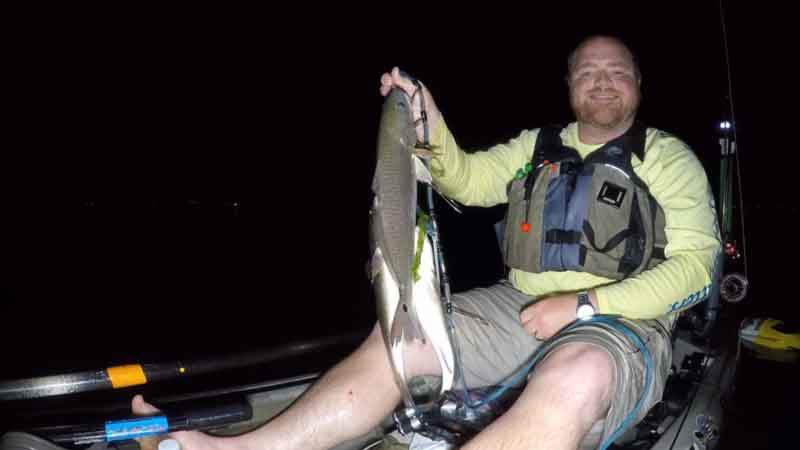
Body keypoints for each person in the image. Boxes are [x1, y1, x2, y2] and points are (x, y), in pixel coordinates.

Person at [132, 35, 721, 450]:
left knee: (578, 372)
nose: (602, 82)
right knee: (404, 340)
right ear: (569, 84)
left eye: (617, 71)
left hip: (623, 319)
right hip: (515, 308)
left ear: (639, 85)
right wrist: (426, 122)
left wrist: (586, 306)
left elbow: (697, 269)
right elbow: (463, 176)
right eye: (588, 71)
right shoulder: (534, 147)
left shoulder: (668, 158)